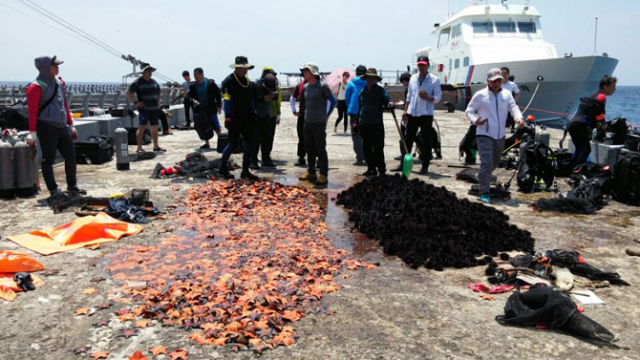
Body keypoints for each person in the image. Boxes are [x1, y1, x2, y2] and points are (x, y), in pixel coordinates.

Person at [26, 55, 85, 197]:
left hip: (61, 126)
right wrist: (32, 132)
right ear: (46, 67)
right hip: (46, 127)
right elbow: (32, 111)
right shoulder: (36, 86)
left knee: (71, 155)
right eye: (54, 66)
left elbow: (64, 104)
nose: (57, 68)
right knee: (48, 159)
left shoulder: (59, 83)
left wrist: (70, 124)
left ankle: (72, 185)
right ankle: (53, 189)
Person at [465, 68, 524, 203]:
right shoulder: (480, 95)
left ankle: (482, 175)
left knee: (495, 163)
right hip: (484, 133)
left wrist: (519, 119)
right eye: (494, 81)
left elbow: (513, 108)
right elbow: (469, 111)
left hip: (500, 135)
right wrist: (475, 120)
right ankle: (484, 191)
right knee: (487, 163)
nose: (497, 83)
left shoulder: (507, 94)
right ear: (488, 81)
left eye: (499, 80)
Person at [393, 56, 441, 175]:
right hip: (412, 113)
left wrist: (428, 98)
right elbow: (409, 96)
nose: (421, 67)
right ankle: (403, 164)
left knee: (426, 140)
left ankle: (425, 166)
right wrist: (405, 111)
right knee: (407, 139)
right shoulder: (413, 78)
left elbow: (438, 97)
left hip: (426, 114)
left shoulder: (434, 80)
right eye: (419, 65)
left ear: (428, 65)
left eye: (424, 65)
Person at [219, 56, 259, 180]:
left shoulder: (249, 83)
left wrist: (253, 111)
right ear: (238, 68)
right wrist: (228, 116)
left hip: (246, 117)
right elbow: (226, 99)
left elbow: (251, 99)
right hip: (234, 117)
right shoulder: (228, 81)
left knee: (249, 142)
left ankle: (245, 170)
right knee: (232, 143)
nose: (246, 71)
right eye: (244, 68)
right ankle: (222, 168)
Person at [298, 62, 337, 185]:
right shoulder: (305, 87)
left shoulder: (322, 86)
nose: (303, 73)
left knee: (320, 148)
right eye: (303, 71)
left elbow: (333, 100)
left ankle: (323, 174)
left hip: (319, 123)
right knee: (309, 148)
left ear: (313, 73)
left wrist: (326, 116)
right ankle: (311, 171)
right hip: (307, 122)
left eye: (306, 71)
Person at [565, 75, 617, 167]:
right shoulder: (601, 97)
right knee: (586, 150)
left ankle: (572, 169)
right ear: (605, 86)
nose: (615, 89)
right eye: (613, 86)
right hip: (580, 125)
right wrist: (604, 125)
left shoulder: (592, 95)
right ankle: (577, 171)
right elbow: (599, 116)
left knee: (579, 148)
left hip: (573, 124)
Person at [358, 68, 391, 177]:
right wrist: (356, 122)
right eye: (369, 78)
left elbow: (387, 101)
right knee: (366, 147)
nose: (371, 80)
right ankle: (371, 168)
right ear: (366, 78)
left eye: (373, 78)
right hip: (364, 123)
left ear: (376, 79)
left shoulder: (380, 90)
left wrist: (390, 105)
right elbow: (359, 107)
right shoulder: (362, 92)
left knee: (378, 148)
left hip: (376, 123)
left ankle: (382, 170)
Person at [125, 63, 165, 153]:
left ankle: (156, 146)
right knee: (142, 126)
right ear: (143, 72)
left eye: (150, 71)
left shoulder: (153, 82)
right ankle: (139, 147)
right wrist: (136, 103)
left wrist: (158, 102)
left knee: (154, 126)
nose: (150, 72)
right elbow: (128, 92)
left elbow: (159, 91)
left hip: (154, 109)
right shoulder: (137, 82)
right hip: (144, 109)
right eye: (148, 71)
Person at [252, 67, 281, 168]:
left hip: (267, 115)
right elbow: (252, 99)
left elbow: (277, 97)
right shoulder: (255, 85)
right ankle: (253, 161)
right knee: (255, 140)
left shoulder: (273, 83)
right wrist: (263, 98)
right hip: (255, 116)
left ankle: (266, 159)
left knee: (267, 138)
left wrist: (278, 112)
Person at [187, 67, 222, 149]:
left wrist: (219, 105)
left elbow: (217, 94)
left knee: (216, 125)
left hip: (211, 108)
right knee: (203, 127)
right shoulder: (193, 85)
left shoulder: (210, 83)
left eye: (196, 74)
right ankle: (207, 143)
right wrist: (193, 100)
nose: (195, 76)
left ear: (201, 74)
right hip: (200, 111)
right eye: (194, 75)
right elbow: (189, 97)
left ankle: (221, 141)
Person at [344, 65, 368, 166]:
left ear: (356, 73)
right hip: (366, 112)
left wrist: (351, 107)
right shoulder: (369, 83)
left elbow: (347, 98)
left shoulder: (351, 84)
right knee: (367, 135)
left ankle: (359, 158)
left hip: (354, 112)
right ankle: (368, 157)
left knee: (356, 135)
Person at [290, 80, 306, 166]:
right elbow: (292, 97)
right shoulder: (300, 85)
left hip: (314, 116)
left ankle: (317, 159)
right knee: (301, 137)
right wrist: (294, 110)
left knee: (315, 138)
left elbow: (329, 100)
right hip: (302, 116)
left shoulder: (320, 85)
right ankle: (301, 158)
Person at [501, 67, 521, 133]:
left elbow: (517, 93)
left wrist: (514, 101)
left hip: (509, 102)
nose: (503, 74)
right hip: (500, 102)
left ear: (508, 74)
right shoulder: (497, 83)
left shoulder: (512, 84)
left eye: (505, 73)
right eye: (502, 73)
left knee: (514, 110)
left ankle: (512, 127)